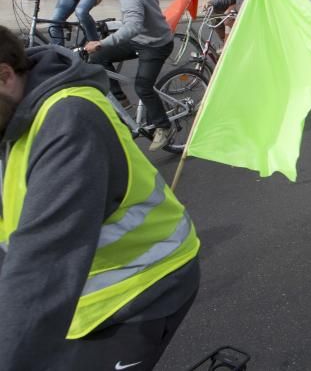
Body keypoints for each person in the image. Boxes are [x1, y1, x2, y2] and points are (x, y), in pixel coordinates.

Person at [0, 25, 200, 369]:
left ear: (4, 76)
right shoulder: (11, 116)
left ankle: (160, 123)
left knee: (142, 86)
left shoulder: (67, 122)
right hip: (83, 295)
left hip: (141, 290)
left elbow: (42, 265)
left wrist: (104, 43)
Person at [83, 0, 176, 150]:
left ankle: (164, 126)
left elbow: (133, 26)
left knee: (143, 87)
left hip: (155, 44)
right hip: (139, 39)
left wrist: (102, 42)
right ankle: (120, 98)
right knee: (98, 58)